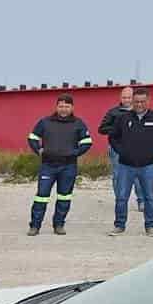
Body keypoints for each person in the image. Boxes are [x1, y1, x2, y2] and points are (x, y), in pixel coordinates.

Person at [26, 94, 93, 236]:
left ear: (72, 107)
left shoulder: (78, 123)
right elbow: (32, 138)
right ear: (56, 107)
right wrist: (39, 151)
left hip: (68, 167)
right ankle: (35, 226)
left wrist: (74, 153)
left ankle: (59, 225)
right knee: (41, 196)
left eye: (67, 106)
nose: (63, 109)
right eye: (61, 106)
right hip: (48, 166)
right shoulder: (45, 122)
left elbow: (87, 142)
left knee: (64, 196)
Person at [109, 87, 153, 237]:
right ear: (132, 101)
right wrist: (121, 151)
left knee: (149, 197)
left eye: (142, 101)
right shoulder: (123, 118)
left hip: (148, 165)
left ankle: (150, 226)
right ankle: (119, 225)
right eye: (136, 102)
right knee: (122, 197)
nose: (139, 104)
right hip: (125, 165)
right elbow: (113, 137)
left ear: (148, 101)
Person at [97, 86, 139, 210]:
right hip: (117, 149)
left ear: (134, 97)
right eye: (124, 97)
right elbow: (102, 129)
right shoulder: (113, 112)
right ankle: (120, 201)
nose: (127, 100)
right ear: (120, 98)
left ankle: (141, 200)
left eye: (129, 97)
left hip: (137, 149)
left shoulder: (140, 112)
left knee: (138, 174)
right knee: (118, 175)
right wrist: (117, 129)